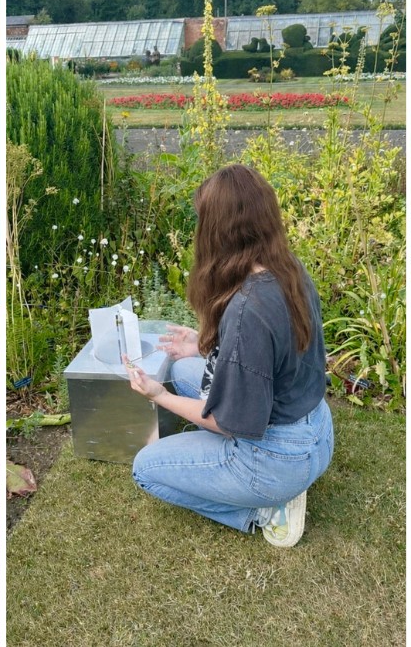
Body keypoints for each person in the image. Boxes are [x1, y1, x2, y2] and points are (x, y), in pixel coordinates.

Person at [123, 164, 333, 547]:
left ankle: (265, 510)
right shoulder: (290, 268)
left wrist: (159, 396)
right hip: (316, 429)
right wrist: (205, 345)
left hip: (276, 459)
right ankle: (272, 488)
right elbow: (273, 349)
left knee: (145, 469)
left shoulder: (246, 310)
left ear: (219, 231)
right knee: (187, 367)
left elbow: (227, 422)